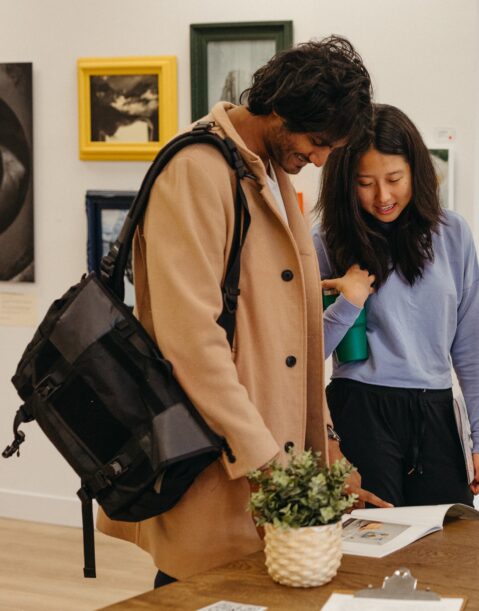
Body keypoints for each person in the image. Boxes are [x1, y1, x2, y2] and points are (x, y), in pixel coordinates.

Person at [97, 35, 386, 587]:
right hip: (219, 460)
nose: (321, 159)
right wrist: (268, 466)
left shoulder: (266, 169)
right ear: (280, 107)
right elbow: (191, 342)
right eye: (317, 141)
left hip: (267, 460)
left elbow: (293, 345)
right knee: (200, 588)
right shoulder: (198, 169)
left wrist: (327, 456)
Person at [314, 104, 479, 507]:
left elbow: (471, 345)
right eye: (365, 183)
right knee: (370, 545)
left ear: (416, 171)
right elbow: (305, 354)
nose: (383, 196)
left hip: (437, 409)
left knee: (453, 545)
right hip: (360, 406)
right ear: (346, 183)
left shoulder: (453, 234)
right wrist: (348, 301)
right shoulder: (326, 240)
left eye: (394, 179)